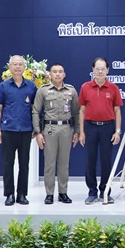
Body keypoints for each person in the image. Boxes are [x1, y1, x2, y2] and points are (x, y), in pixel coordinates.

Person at [32, 63, 80, 205]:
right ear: (50, 74)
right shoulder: (43, 90)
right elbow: (35, 110)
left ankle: (63, 192)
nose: (58, 74)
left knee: (64, 163)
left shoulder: (71, 91)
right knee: (49, 163)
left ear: (64, 74)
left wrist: (77, 131)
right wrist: (37, 132)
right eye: (55, 72)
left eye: (60, 72)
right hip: (49, 129)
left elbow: (77, 112)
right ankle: (49, 193)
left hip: (66, 129)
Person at [0, 55, 37, 206]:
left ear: (25, 67)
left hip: (26, 130)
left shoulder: (31, 86)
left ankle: (22, 194)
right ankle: (9, 194)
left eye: (20, 64)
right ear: (10, 67)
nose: (17, 67)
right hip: (8, 129)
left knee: (24, 163)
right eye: (15, 64)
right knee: (8, 163)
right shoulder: (3, 86)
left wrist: (36, 128)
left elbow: (34, 109)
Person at [78, 57, 123, 205]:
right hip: (90, 127)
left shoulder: (113, 88)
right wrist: (82, 132)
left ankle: (105, 191)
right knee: (90, 161)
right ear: (93, 70)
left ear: (108, 70)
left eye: (103, 68)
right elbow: (82, 111)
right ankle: (92, 192)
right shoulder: (85, 87)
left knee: (106, 161)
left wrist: (117, 131)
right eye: (97, 68)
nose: (100, 71)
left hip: (107, 128)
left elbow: (117, 111)